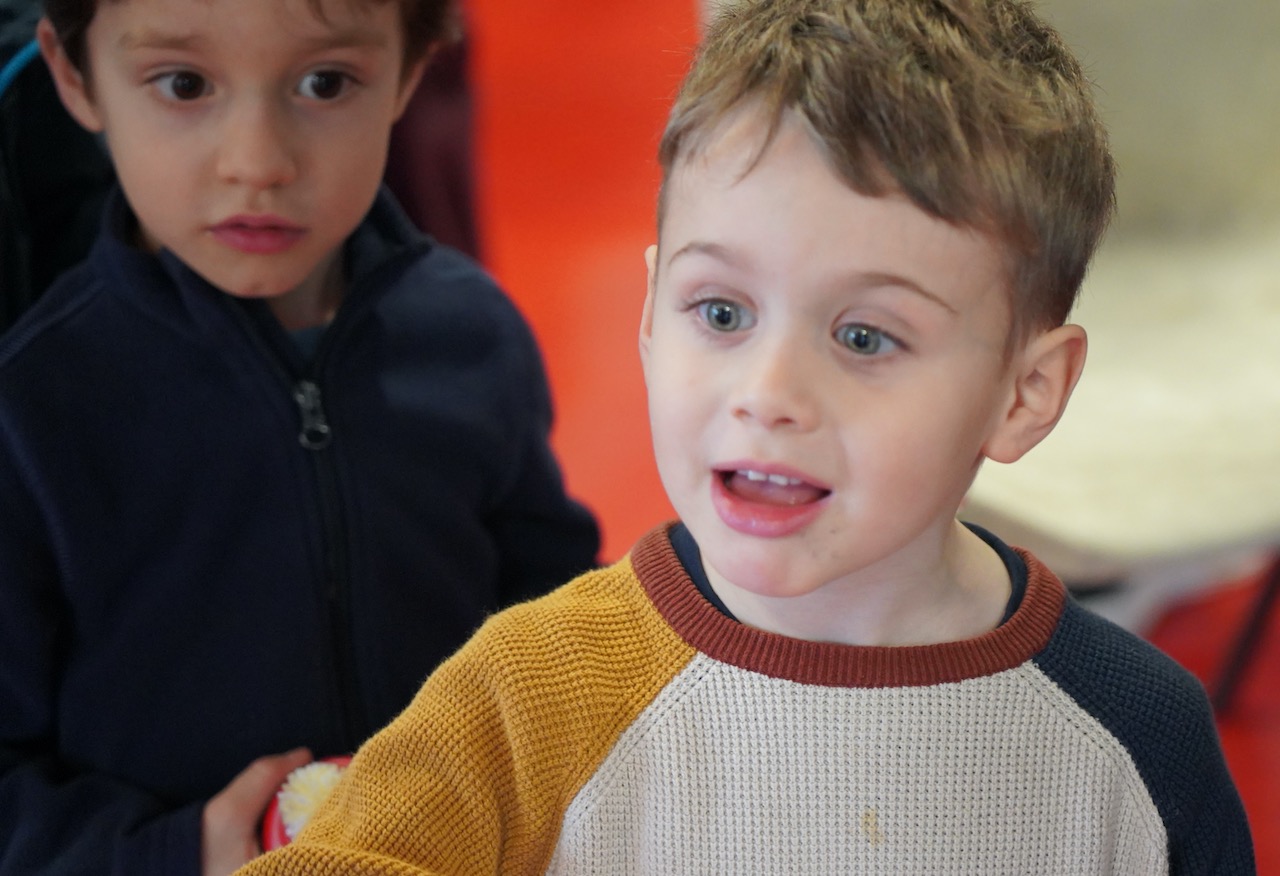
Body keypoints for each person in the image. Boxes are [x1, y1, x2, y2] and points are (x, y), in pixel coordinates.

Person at [238, 0, 1255, 873]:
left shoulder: (1134, 740)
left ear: (1024, 395)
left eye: (864, 336)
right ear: (650, 314)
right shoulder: (529, 697)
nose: (768, 395)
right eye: (721, 313)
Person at [0, 0, 599, 873]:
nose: (259, 163)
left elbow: (551, 622)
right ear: (73, 74)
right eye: (184, 84)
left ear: (411, 69)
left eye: (325, 83)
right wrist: (170, 851)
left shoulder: (472, 339)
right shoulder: (34, 410)